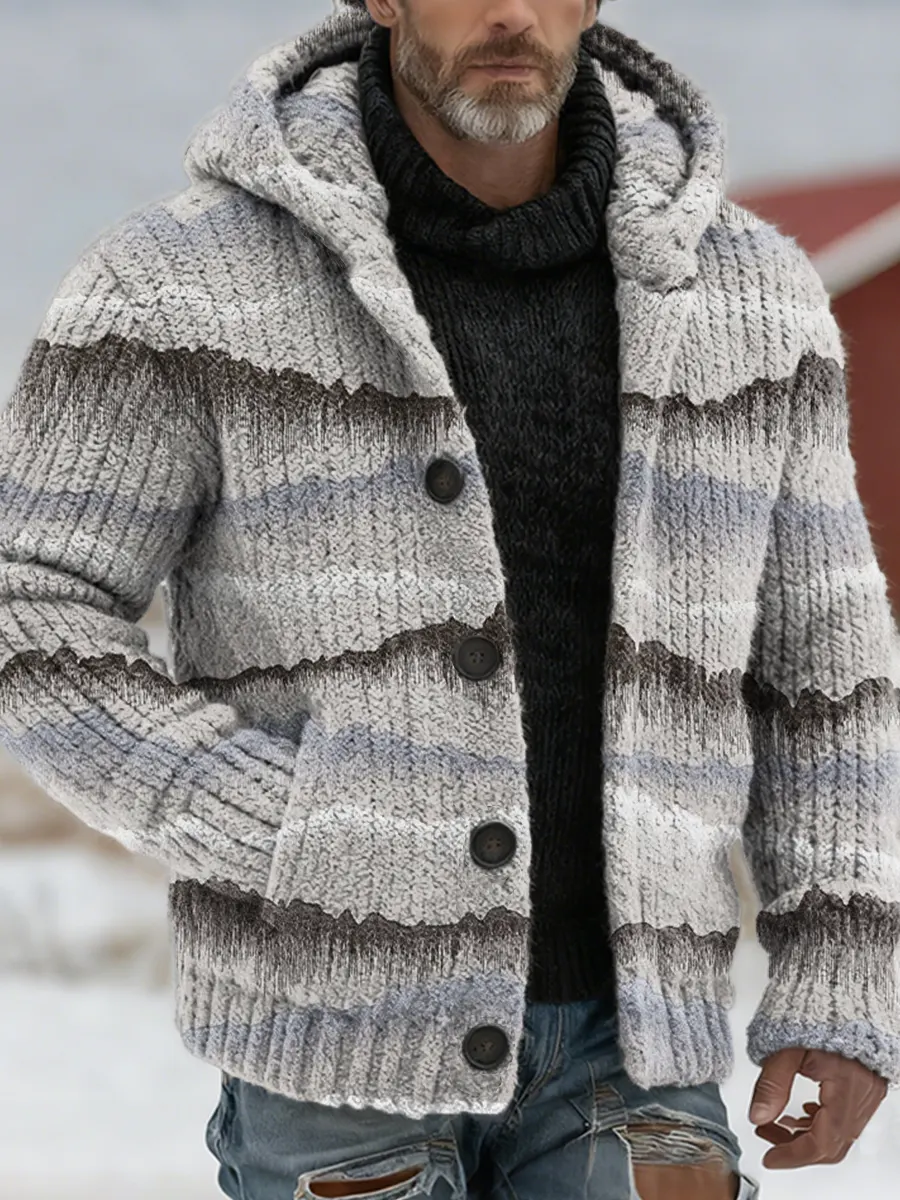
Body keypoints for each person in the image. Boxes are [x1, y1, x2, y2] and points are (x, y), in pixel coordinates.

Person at [1, 0, 897, 1195]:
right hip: (332, 1057)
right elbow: (32, 606)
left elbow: (826, 667)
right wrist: (282, 825)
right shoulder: (175, 285)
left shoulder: (755, 297)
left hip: (640, 1058)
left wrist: (842, 973)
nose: (512, 12)